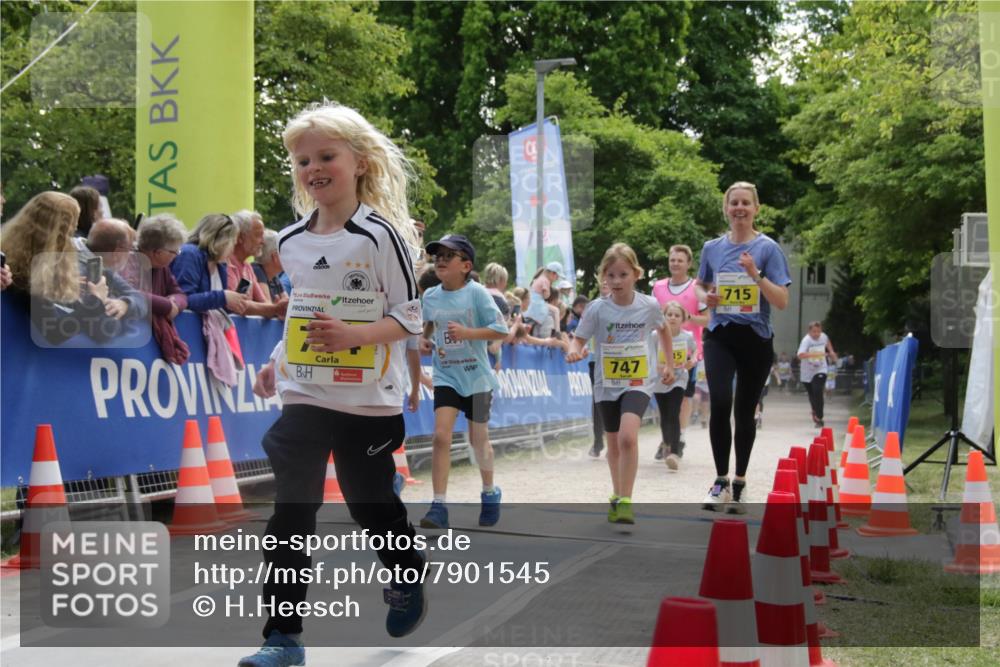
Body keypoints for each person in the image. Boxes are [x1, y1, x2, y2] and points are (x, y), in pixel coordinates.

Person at [242, 102, 426, 667]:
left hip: (368, 401)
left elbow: (411, 318)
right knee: (291, 510)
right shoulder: (290, 240)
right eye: (302, 160)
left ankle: (405, 570)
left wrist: (355, 335)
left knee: (367, 503)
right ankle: (283, 638)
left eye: (326, 156)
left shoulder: (379, 235)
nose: (313, 168)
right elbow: (302, 310)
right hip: (306, 395)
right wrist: (278, 361)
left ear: (361, 162)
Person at [697, 181, 791, 514]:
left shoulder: (768, 249)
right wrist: (703, 298)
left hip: (756, 339)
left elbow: (781, 300)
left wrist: (755, 275)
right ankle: (720, 480)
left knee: (744, 410)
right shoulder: (711, 248)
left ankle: (739, 482)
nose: (739, 208)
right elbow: (700, 285)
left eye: (745, 203)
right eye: (733, 202)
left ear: (756, 208)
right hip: (720, 334)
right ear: (726, 208)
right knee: (720, 400)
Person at [566, 243, 674, 525]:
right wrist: (573, 349)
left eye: (622, 275)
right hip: (606, 383)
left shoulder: (649, 305)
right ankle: (617, 494)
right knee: (613, 443)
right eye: (610, 275)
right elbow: (578, 337)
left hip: (638, 382)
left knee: (628, 437)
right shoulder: (597, 309)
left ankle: (626, 499)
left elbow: (663, 331)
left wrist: (669, 364)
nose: (616, 281)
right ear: (604, 276)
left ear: (636, 274)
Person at [418, 234, 508, 530]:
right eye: (437, 256)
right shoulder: (430, 296)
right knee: (441, 436)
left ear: (466, 265)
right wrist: (425, 338)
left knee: (477, 439)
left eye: (448, 256)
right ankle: (439, 504)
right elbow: (430, 322)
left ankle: (489, 492)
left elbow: (500, 330)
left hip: (478, 378)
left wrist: (468, 333)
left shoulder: (478, 293)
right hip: (446, 375)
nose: (440, 260)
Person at [0, 191, 122, 344]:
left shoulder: (16, 259)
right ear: (58, 235)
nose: (71, 240)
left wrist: (65, 289)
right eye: (70, 231)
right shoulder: (27, 275)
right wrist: (96, 300)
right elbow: (53, 332)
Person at [652, 244, 708, 460]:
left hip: (687, 352)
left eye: (680, 260)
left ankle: (679, 438)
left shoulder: (696, 288)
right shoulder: (657, 287)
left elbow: (708, 319)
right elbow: (652, 315)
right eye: (672, 259)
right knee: (663, 399)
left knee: (683, 398)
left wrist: (685, 317)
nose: (675, 263)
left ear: (688, 264)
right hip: (661, 353)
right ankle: (667, 438)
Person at [123, 214, 190, 364]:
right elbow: (128, 293)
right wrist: (167, 306)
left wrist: (174, 303)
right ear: (157, 252)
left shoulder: (162, 268)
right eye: (175, 252)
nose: (176, 256)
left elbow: (180, 294)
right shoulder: (127, 260)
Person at [653, 302, 698, 471]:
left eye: (676, 315)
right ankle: (666, 442)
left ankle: (674, 452)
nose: (672, 318)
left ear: (683, 319)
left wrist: (692, 361)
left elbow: (694, 351)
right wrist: (654, 366)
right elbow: (648, 352)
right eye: (669, 314)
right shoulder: (655, 336)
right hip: (659, 380)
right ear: (663, 317)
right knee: (664, 415)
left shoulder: (687, 336)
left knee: (674, 412)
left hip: (679, 378)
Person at [227, 210, 286, 319]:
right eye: (258, 235)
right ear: (240, 237)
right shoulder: (226, 263)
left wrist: (277, 310)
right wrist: (275, 309)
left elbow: (264, 302)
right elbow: (237, 304)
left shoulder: (247, 268)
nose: (262, 242)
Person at [798, 321, 837, 428]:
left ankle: (820, 417)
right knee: (812, 395)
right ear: (809, 331)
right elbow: (800, 355)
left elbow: (827, 342)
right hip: (807, 372)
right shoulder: (806, 341)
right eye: (814, 332)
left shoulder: (823, 337)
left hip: (821, 368)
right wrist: (816, 353)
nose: (816, 334)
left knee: (817, 390)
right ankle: (815, 411)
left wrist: (831, 352)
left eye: (818, 331)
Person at [251, 229, 288, 303]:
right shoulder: (256, 270)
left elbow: (287, 304)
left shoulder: (273, 277)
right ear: (275, 257)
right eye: (285, 251)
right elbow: (267, 308)